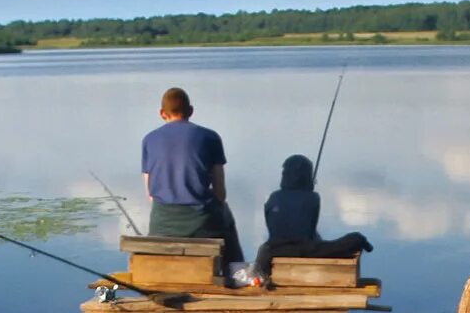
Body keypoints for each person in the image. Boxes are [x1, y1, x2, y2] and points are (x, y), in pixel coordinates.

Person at [140, 86, 244, 268]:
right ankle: (235, 271)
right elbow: (220, 192)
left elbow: (150, 193)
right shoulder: (210, 137)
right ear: (190, 111)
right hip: (201, 223)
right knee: (225, 215)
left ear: (162, 113)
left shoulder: (149, 139)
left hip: (162, 224)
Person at [251, 153, 373, 285]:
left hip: (274, 249)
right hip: (304, 248)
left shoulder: (273, 197)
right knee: (354, 239)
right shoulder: (314, 198)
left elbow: (273, 225)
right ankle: (363, 242)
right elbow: (309, 231)